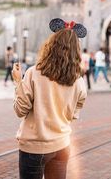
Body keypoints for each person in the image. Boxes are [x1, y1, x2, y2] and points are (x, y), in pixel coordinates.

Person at [12, 18, 87, 179]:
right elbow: (74, 114)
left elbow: (20, 110)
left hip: (34, 148)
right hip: (62, 145)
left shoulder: (34, 73)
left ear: (51, 46)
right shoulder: (78, 81)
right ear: (76, 51)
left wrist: (18, 81)